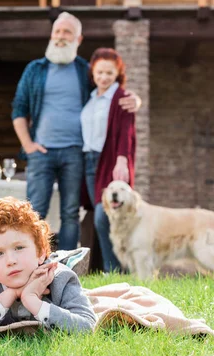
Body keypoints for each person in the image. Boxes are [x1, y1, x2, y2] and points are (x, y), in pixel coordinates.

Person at [11, 12, 140, 250]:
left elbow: (108, 92)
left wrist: (135, 99)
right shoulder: (34, 70)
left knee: (70, 212)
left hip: (75, 152)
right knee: (34, 210)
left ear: (78, 39)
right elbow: (18, 109)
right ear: (51, 35)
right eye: (57, 31)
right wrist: (28, 145)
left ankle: (67, 265)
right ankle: (34, 261)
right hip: (41, 152)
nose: (61, 36)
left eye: (67, 32)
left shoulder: (85, 71)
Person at [0, 197, 97, 333]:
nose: (11, 260)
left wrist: (31, 299)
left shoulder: (61, 278)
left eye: (19, 248)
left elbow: (88, 326)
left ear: (40, 252)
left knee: (89, 296)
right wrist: (10, 294)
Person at [81, 48, 136, 273]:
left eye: (109, 73)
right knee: (98, 215)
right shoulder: (91, 97)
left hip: (110, 160)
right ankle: (108, 269)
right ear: (93, 72)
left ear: (118, 74)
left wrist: (122, 160)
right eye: (100, 72)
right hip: (89, 162)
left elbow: (127, 131)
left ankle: (117, 269)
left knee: (106, 217)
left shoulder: (121, 97)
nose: (104, 77)